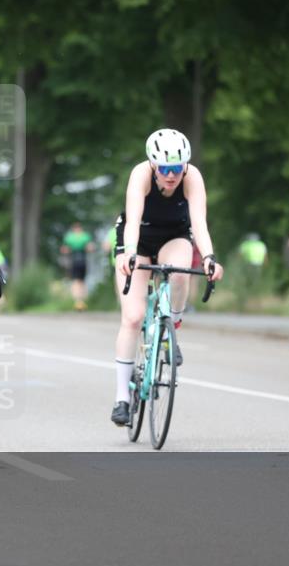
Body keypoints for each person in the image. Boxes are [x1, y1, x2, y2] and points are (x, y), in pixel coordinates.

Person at [110, 128, 223, 426]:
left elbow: (199, 223)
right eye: (164, 169)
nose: (171, 175)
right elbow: (133, 220)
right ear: (153, 165)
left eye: (177, 168)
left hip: (174, 236)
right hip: (138, 238)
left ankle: (171, 327)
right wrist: (131, 253)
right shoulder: (141, 175)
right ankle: (122, 397)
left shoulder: (192, 177)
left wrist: (210, 257)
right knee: (133, 317)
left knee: (180, 275)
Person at [61, 222, 95, 311]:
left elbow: (64, 250)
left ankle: (78, 301)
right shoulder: (85, 236)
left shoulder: (69, 237)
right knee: (81, 281)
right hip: (82, 260)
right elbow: (91, 248)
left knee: (76, 281)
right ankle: (81, 301)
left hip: (74, 260)